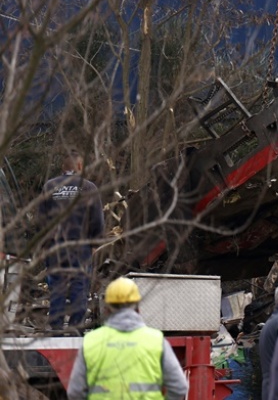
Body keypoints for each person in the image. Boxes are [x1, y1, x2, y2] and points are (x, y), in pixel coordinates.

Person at [67, 277, 189, 400]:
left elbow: (75, 392)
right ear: (138, 307)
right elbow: (179, 387)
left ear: (107, 308)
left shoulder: (91, 342)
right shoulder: (156, 341)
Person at [39, 149, 104, 331]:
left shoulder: (49, 186)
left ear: (62, 167)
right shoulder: (89, 188)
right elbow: (97, 219)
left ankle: (57, 328)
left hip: (56, 246)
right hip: (80, 246)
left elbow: (41, 220)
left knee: (57, 286)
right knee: (79, 286)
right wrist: (94, 243)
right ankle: (76, 327)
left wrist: (45, 244)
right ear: (80, 166)